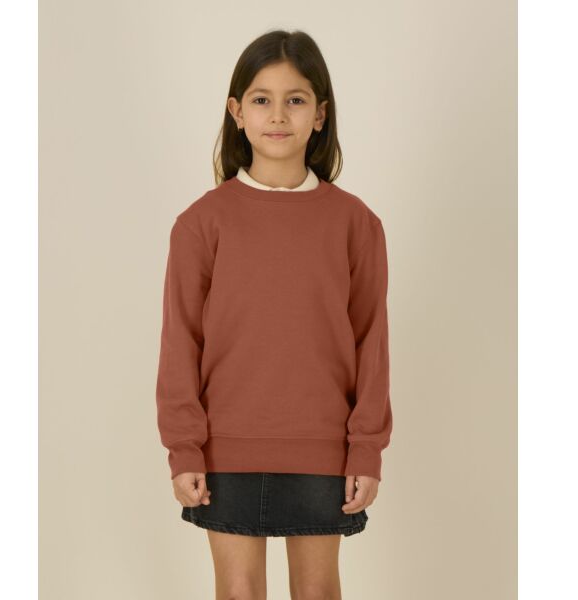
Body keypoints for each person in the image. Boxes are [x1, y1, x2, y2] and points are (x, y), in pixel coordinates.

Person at [155, 28, 393, 600]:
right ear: (237, 112)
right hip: (225, 448)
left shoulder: (355, 224)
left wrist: (365, 449)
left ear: (320, 114)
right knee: (238, 592)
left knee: (317, 591)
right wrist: (184, 446)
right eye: (262, 99)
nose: (279, 115)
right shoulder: (201, 223)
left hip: (324, 449)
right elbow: (181, 341)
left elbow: (371, 342)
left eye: (296, 99)